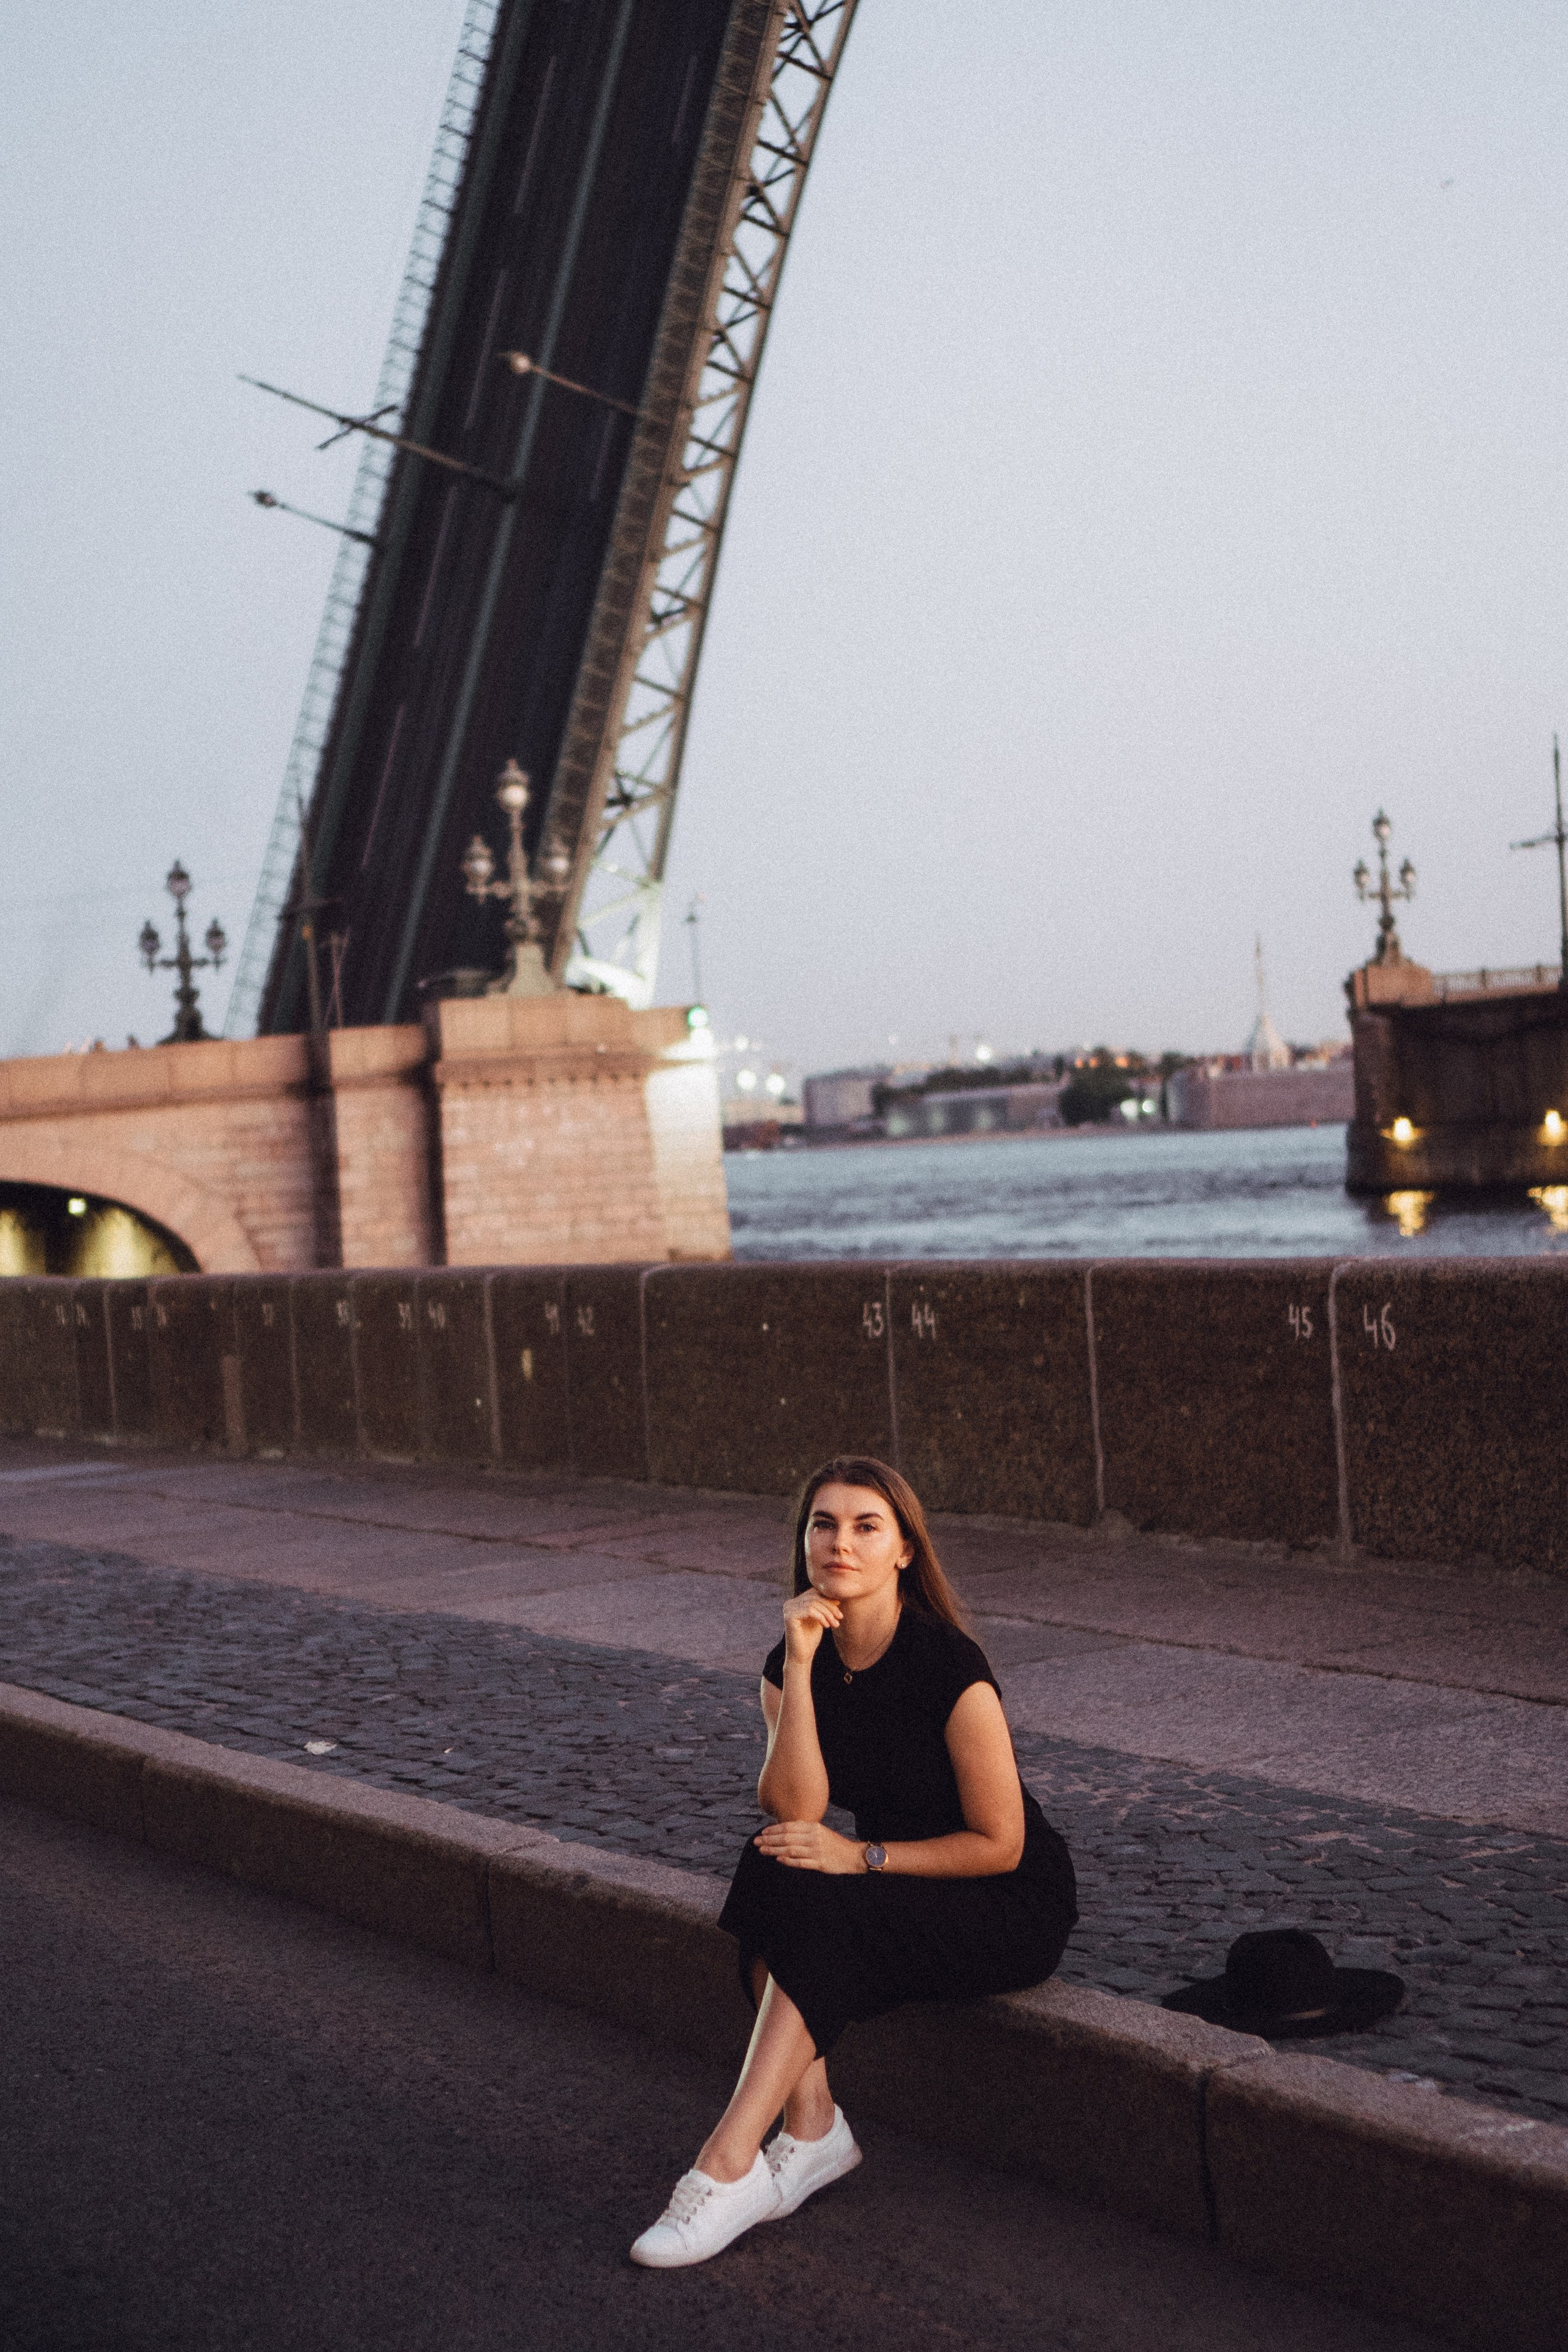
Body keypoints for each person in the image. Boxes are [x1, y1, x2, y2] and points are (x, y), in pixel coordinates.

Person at [630, 1454, 1078, 2268]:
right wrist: (799, 1665)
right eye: (823, 1524)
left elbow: (1001, 1843)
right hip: (892, 1880)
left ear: (904, 1550)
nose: (842, 1542)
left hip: (1004, 1899)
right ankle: (811, 2128)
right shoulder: (792, 1658)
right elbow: (794, 1808)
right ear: (804, 1543)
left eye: (867, 1526)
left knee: (828, 1897)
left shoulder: (951, 1668)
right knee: (772, 1861)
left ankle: (726, 2163)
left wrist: (862, 1856)